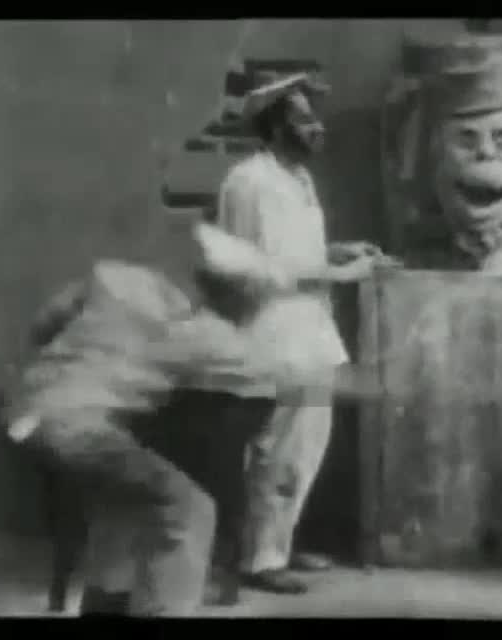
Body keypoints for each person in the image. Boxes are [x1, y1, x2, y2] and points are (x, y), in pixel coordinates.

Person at [3, 219, 377, 616]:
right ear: (234, 296)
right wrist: (371, 385)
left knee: (127, 507)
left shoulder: (116, 276)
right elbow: (287, 376)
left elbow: (46, 321)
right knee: (190, 508)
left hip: (25, 413)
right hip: (78, 431)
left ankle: (105, 602)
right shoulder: (200, 332)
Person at [214, 70, 391, 595]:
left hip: (307, 327)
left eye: (315, 117)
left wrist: (341, 252)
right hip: (273, 328)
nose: (316, 127)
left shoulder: (296, 179)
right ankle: (260, 559)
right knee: (281, 446)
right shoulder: (249, 182)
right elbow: (260, 268)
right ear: (273, 125)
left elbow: (298, 253)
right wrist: (342, 275)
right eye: (303, 118)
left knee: (306, 443)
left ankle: (277, 545)